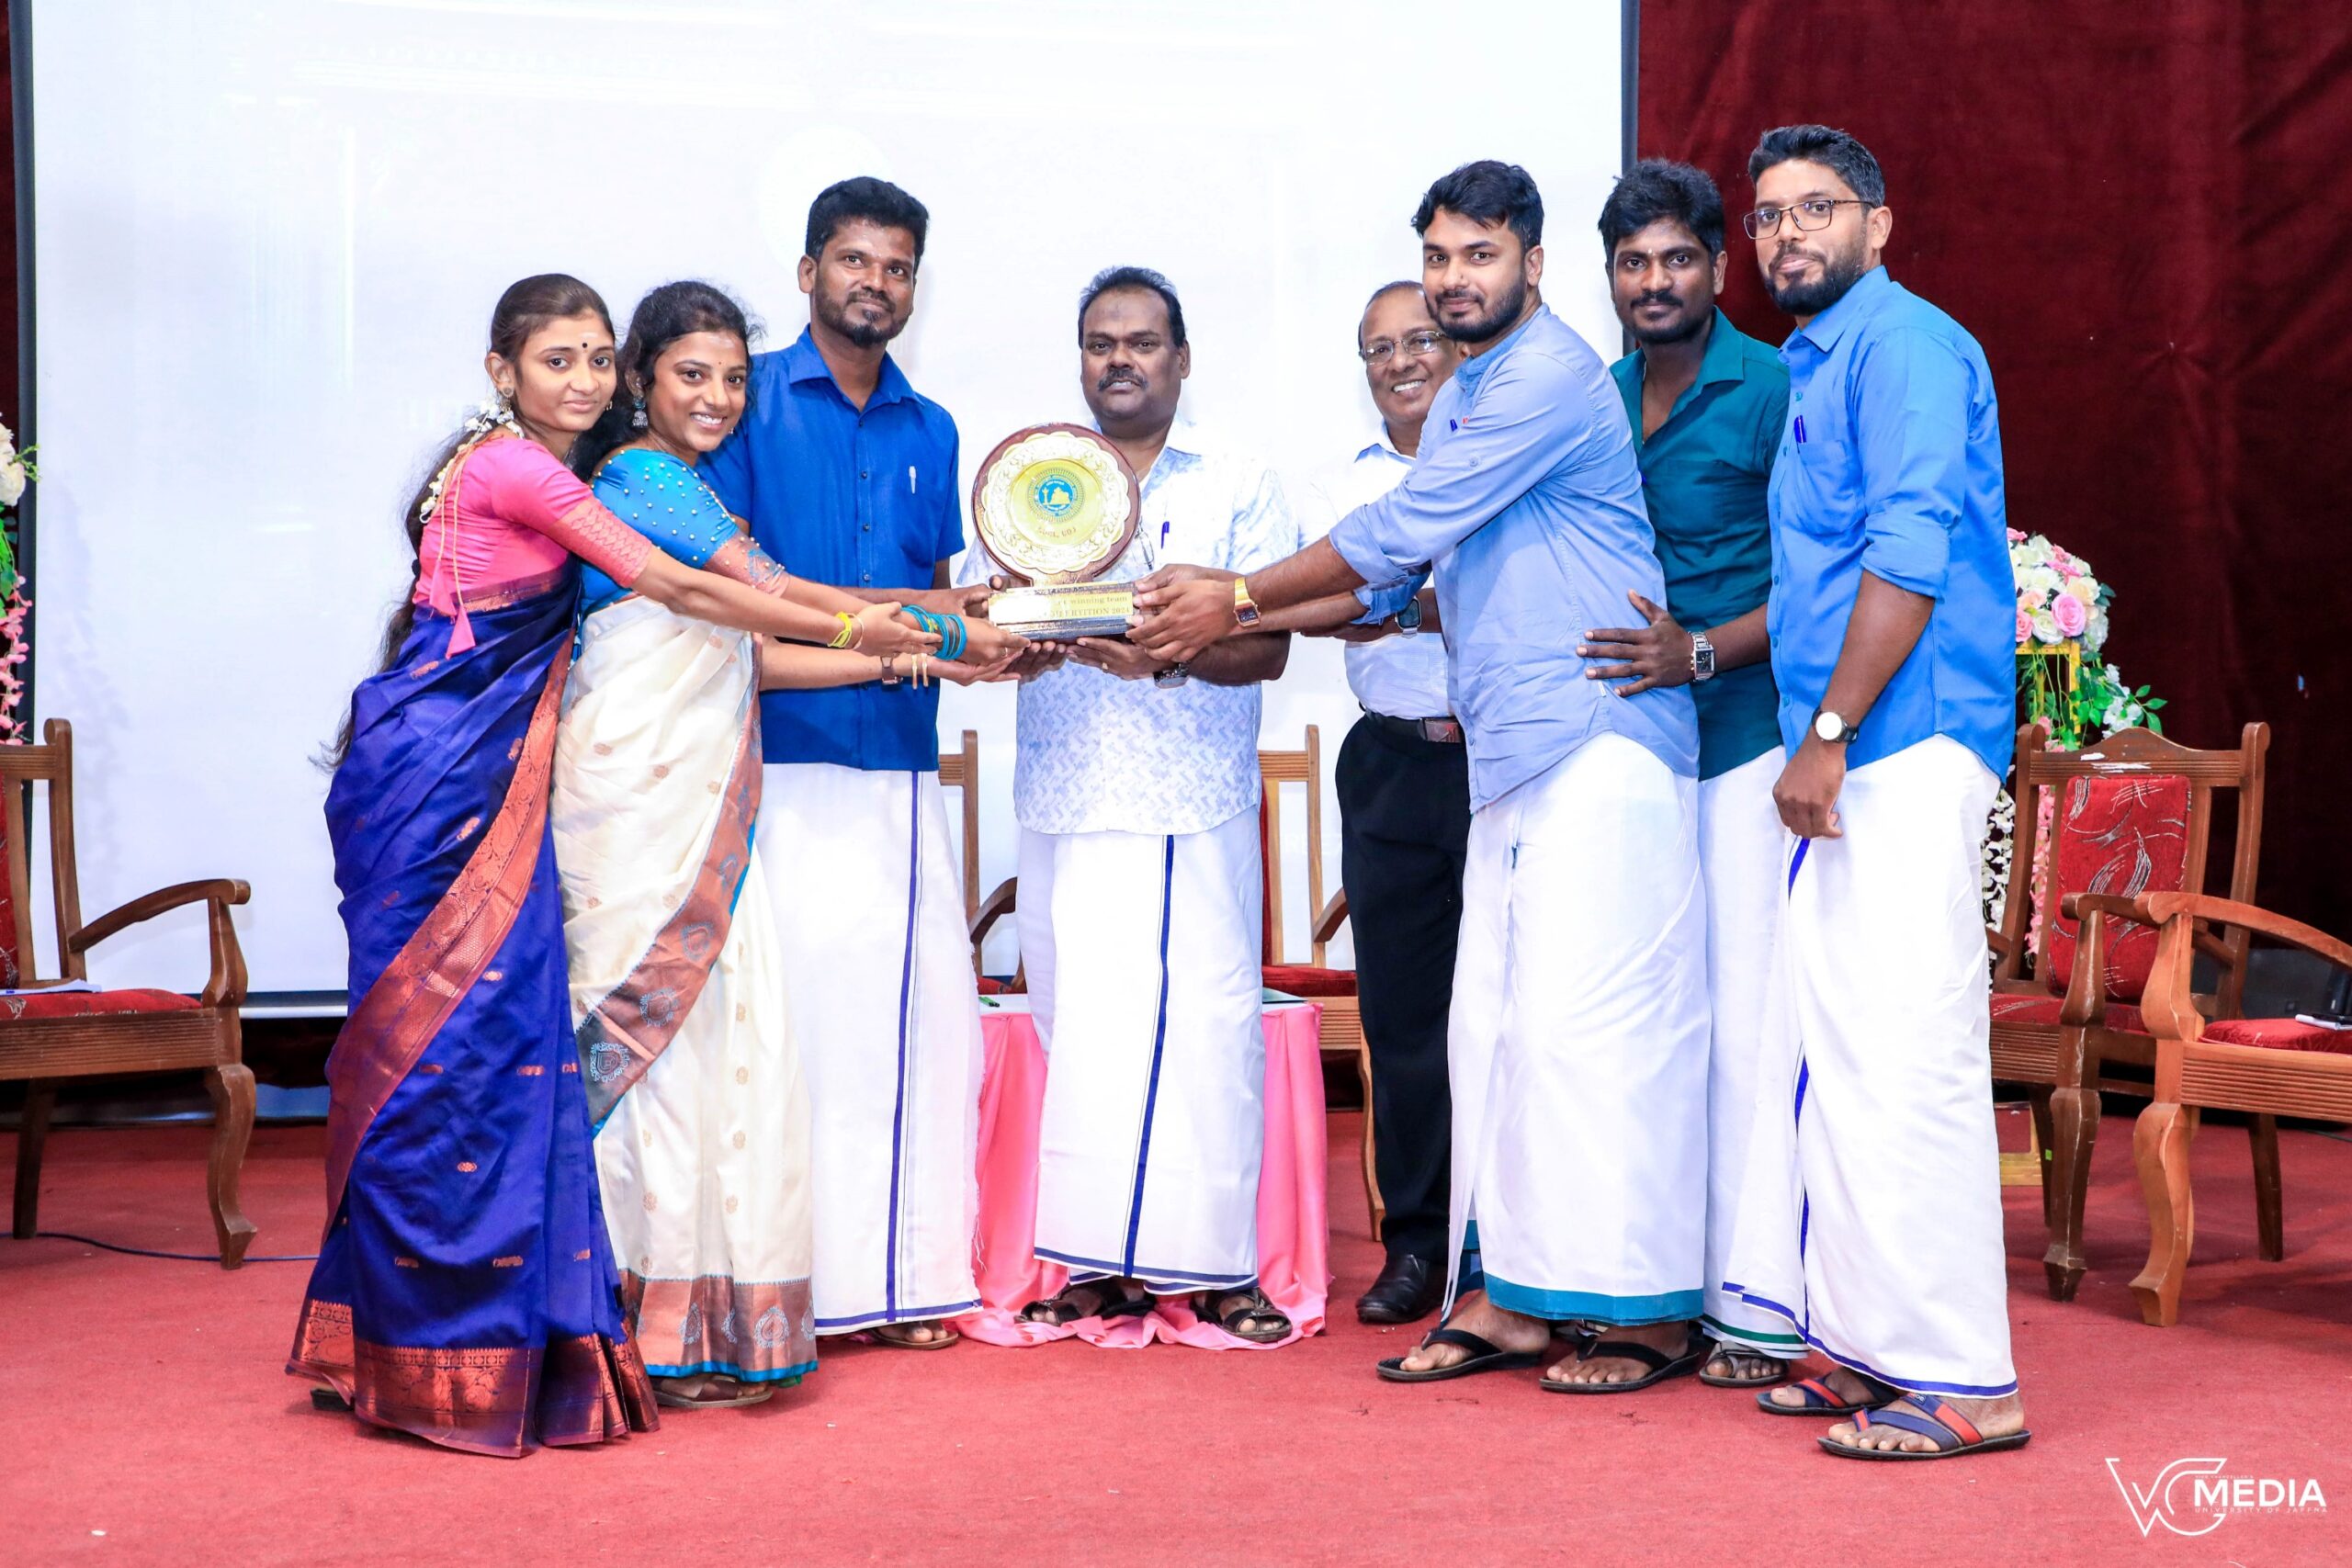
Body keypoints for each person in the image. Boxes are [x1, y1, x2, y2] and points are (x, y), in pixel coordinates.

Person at [293, 274, 937, 1458]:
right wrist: (876, 627)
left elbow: (721, 620)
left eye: (596, 358)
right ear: (503, 371)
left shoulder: (565, 469)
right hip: (449, 785)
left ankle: (442, 1335)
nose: (584, 381)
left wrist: (905, 640)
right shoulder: (536, 472)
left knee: (458, 1058)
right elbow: (691, 589)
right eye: (563, 360)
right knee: (439, 1055)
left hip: (475, 775)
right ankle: (436, 1339)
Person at [1132, 163, 1713, 1391]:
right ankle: (1512, 1297)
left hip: (1599, 735)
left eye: (1478, 255)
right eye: (1439, 256)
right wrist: (1209, 611)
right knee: (1495, 1034)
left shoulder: (1547, 375)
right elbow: (1394, 579)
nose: (1454, 279)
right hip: (1512, 752)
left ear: (1533, 265)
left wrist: (1235, 595)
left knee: (1595, 1037)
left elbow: (1397, 531)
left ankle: (1649, 1312)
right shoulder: (1464, 396)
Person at [1714, 125, 2030, 1460]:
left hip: (1900, 743)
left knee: (1909, 1060)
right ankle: (1861, 1341)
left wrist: (1830, 731)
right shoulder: (1819, 355)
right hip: (1851, 752)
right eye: (1769, 214)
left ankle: (1964, 1376)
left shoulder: (1902, 346)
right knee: (1840, 1055)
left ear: (1878, 225)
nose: (1787, 233)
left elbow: (1910, 549)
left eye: (1817, 208)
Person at [700, 178, 1019, 1350]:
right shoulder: (743, 408)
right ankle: (795, 1288)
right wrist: (918, 630)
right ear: (807, 273)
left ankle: (902, 1284)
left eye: (895, 267)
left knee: (912, 1031)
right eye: (852, 260)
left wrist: (996, 625)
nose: (873, 283)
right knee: (792, 1037)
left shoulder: (934, 429)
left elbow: (941, 604)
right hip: (779, 766)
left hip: (901, 769)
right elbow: (741, 610)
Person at [969, 265, 1300, 1342]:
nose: (1120, 360)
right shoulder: (1035, 480)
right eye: (1101, 342)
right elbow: (994, 623)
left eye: (1142, 342)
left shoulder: (1237, 478)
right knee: (1078, 1038)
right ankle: (1094, 1265)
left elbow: (1268, 647)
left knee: (1205, 1033)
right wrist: (1020, 635)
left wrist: (1164, 653)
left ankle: (1217, 1267)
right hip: (1064, 790)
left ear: (1181, 358)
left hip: (1184, 794)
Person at [1587, 160, 1795, 1388]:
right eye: (1633, 262)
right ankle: (1659, 1284)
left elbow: (1824, 574)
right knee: (1653, 1026)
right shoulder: (1599, 397)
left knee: (1748, 1026)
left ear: (1719, 266)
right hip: (1627, 755)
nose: (1654, 281)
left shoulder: (1772, 386)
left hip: (1746, 740)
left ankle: (1759, 1306)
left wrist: (1703, 650)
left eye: (1676, 258)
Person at [1276, 282, 1467, 1324]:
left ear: (1459, 345)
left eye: (1419, 339)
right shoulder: (1340, 483)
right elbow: (1325, 608)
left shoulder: (1504, 455)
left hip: (1507, 763)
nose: (1400, 362)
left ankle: (1510, 1247)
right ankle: (1418, 1245)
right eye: (1377, 349)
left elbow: (1374, 596)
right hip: (1392, 764)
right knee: (1404, 1024)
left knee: (1520, 1012)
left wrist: (1392, 597)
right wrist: (1413, 602)